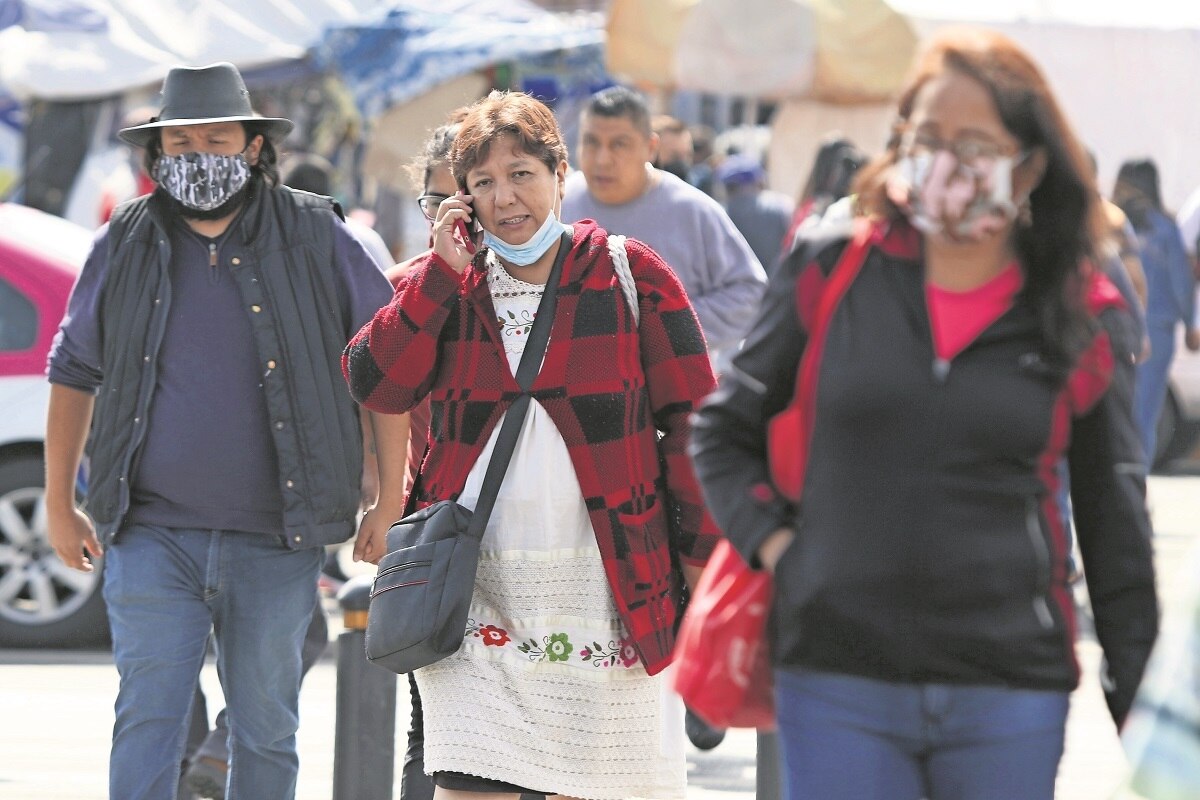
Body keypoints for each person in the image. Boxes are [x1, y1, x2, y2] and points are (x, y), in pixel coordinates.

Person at [690, 28, 1159, 800]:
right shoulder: (829, 266)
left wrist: (1142, 714)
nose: (945, 162)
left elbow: (1115, 520)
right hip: (838, 677)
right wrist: (781, 548)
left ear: (1032, 163)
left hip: (1009, 688)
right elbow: (723, 430)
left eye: (974, 142)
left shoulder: (1083, 315)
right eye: (927, 137)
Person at [343, 89, 721, 799]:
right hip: (473, 599)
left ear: (558, 172)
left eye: (521, 173)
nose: (505, 197)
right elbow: (376, 382)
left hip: (611, 593)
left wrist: (700, 560)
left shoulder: (628, 274)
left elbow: (696, 425)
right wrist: (440, 275)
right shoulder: (448, 285)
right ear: (462, 198)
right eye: (483, 182)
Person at [43, 62, 406, 800]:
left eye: (217, 137)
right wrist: (58, 501)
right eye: (181, 141)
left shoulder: (316, 232)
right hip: (150, 534)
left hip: (277, 537)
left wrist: (390, 496)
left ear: (252, 147)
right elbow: (74, 368)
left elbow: (383, 368)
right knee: (148, 717)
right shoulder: (126, 239)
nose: (198, 154)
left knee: (265, 728)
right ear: (158, 153)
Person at [562, 86, 766, 368]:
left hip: (673, 387)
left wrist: (667, 326)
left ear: (651, 148)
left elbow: (750, 293)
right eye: (592, 142)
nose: (602, 159)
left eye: (619, 144)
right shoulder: (559, 205)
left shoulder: (693, 210)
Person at [1112, 158, 1199, 469]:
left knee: (1111, 412)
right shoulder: (1164, 228)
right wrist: (1191, 323)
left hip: (1112, 327)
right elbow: (1181, 283)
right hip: (1157, 334)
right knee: (1145, 415)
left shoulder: (1113, 224)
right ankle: (1136, 480)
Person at [716, 153, 795, 275]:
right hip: (778, 286)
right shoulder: (783, 206)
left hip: (739, 289)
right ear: (759, 180)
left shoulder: (719, 213)